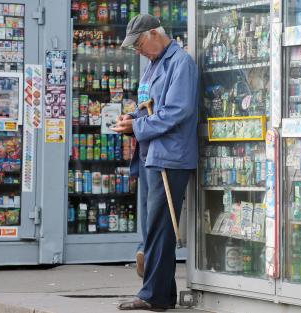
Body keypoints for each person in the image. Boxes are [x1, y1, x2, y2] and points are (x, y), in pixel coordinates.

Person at [113, 14, 198, 311]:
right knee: (153, 226)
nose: (137, 51)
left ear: (153, 34)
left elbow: (177, 111)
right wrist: (132, 119)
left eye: (138, 44)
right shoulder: (153, 65)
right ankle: (162, 293)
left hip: (170, 156)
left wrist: (137, 127)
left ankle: (152, 294)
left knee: (161, 226)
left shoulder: (181, 63)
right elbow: (148, 107)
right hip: (152, 153)